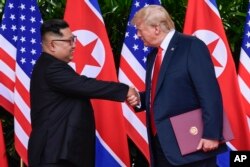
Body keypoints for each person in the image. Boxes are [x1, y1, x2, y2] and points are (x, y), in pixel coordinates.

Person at [28, 19, 138, 167]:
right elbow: (84, 85)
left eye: (74, 39)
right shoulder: (51, 68)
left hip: (60, 155)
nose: (74, 45)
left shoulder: (51, 65)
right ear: (52, 45)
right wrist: (125, 90)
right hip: (53, 155)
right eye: (69, 41)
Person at [128, 5, 228, 167]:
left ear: (156, 28)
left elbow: (209, 92)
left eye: (139, 29)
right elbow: (165, 92)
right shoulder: (153, 55)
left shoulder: (191, 46)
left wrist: (212, 134)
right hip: (162, 144)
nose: (138, 35)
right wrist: (140, 98)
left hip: (193, 144)